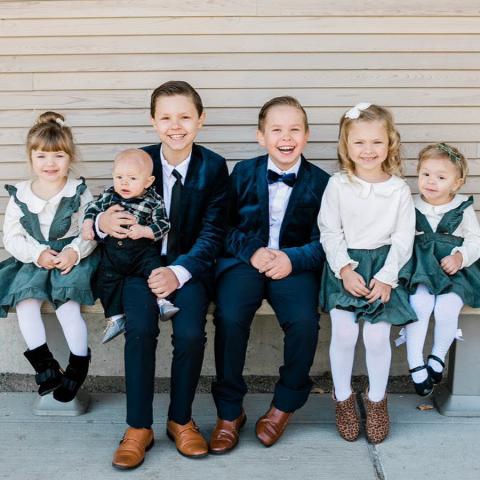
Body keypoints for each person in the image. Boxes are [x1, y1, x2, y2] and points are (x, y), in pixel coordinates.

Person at [95, 81, 228, 469]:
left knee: (189, 333)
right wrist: (102, 223)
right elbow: (106, 204)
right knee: (139, 329)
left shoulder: (213, 167)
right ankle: (138, 427)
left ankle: (180, 419)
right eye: (166, 117)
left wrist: (178, 272)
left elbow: (213, 232)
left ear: (200, 120)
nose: (176, 126)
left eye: (185, 117)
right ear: (153, 122)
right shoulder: (139, 161)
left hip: (187, 270)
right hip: (137, 266)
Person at [210, 96, 330, 453]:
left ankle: (284, 405)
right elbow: (221, 226)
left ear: (307, 135)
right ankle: (229, 412)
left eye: (294, 129)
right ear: (261, 136)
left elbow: (327, 241)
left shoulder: (323, 183)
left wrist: (293, 259)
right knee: (230, 316)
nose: (286, 137)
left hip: (294, 265)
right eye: (276, 130)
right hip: (245, 262)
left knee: (304, 323)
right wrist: (252, 251)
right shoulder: (243, 172)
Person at [318, 103, 416, 444]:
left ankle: (376, 401)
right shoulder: (338, 185)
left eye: (376, 142)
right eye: (359, 142)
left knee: (376, 337)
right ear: (346, 146)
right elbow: (330, 230)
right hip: (345, 266)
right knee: (345, 333)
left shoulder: (399, 190)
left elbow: (403, 239)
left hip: (385, 268)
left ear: (390, 144)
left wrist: (388, 277)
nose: (368, 150)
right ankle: (343, 398)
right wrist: (344, 269)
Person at [0, 111, 98, 402]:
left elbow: (90, 231)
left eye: (58, 156)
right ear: (30, 158)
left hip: (70, 259)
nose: (50, 163)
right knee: (26, 303)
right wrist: (37, 253)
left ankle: (78, 366)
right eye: (41, 156)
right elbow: (11, 237)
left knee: (67, 306)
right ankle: (45, 366)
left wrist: (73, 252)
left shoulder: (78, 191)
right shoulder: (20, 194)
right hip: (34, 259)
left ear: (70, 157)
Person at [398, 143, 480, 396]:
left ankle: (437, 357)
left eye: (441, 177)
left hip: (455, 271)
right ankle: (415, 363)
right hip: (421, 270)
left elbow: (475, 240)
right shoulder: (410, 204)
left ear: (457, 183)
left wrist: (460, 256)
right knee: (419, 305)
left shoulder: (463, 207)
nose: (431, 181)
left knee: (447, 307)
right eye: (425, 174)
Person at [82, 148, 178, 344]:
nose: (124, 183)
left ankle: (163, 302)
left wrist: (144, 231)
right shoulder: (110, 195)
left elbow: (163, 224)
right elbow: (92, 208)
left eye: (132, 178)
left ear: (148, 181)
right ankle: (115, 317)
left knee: (154, 272)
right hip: (113, 254)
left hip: (141, 253)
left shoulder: (152, 200)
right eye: (119, 177)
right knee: (105, 281)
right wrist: (88, 224)